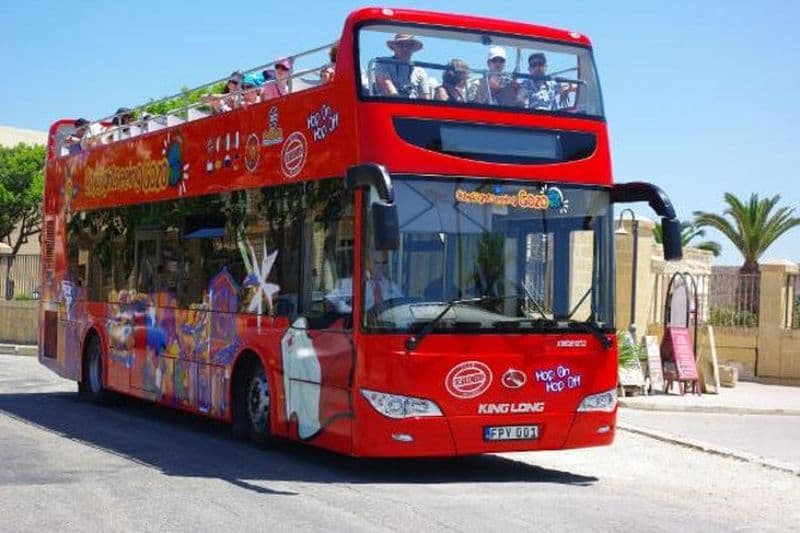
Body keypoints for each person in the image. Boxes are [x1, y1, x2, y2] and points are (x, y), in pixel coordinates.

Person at [373, 33, 429, 99]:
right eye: (400, 44)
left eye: (409, 45)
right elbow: (386, 84)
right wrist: (400, 104)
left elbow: (425, 96)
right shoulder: (383, 62)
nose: (405, 48)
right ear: (394, 47)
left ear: (413, 48)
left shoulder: (420, 71)